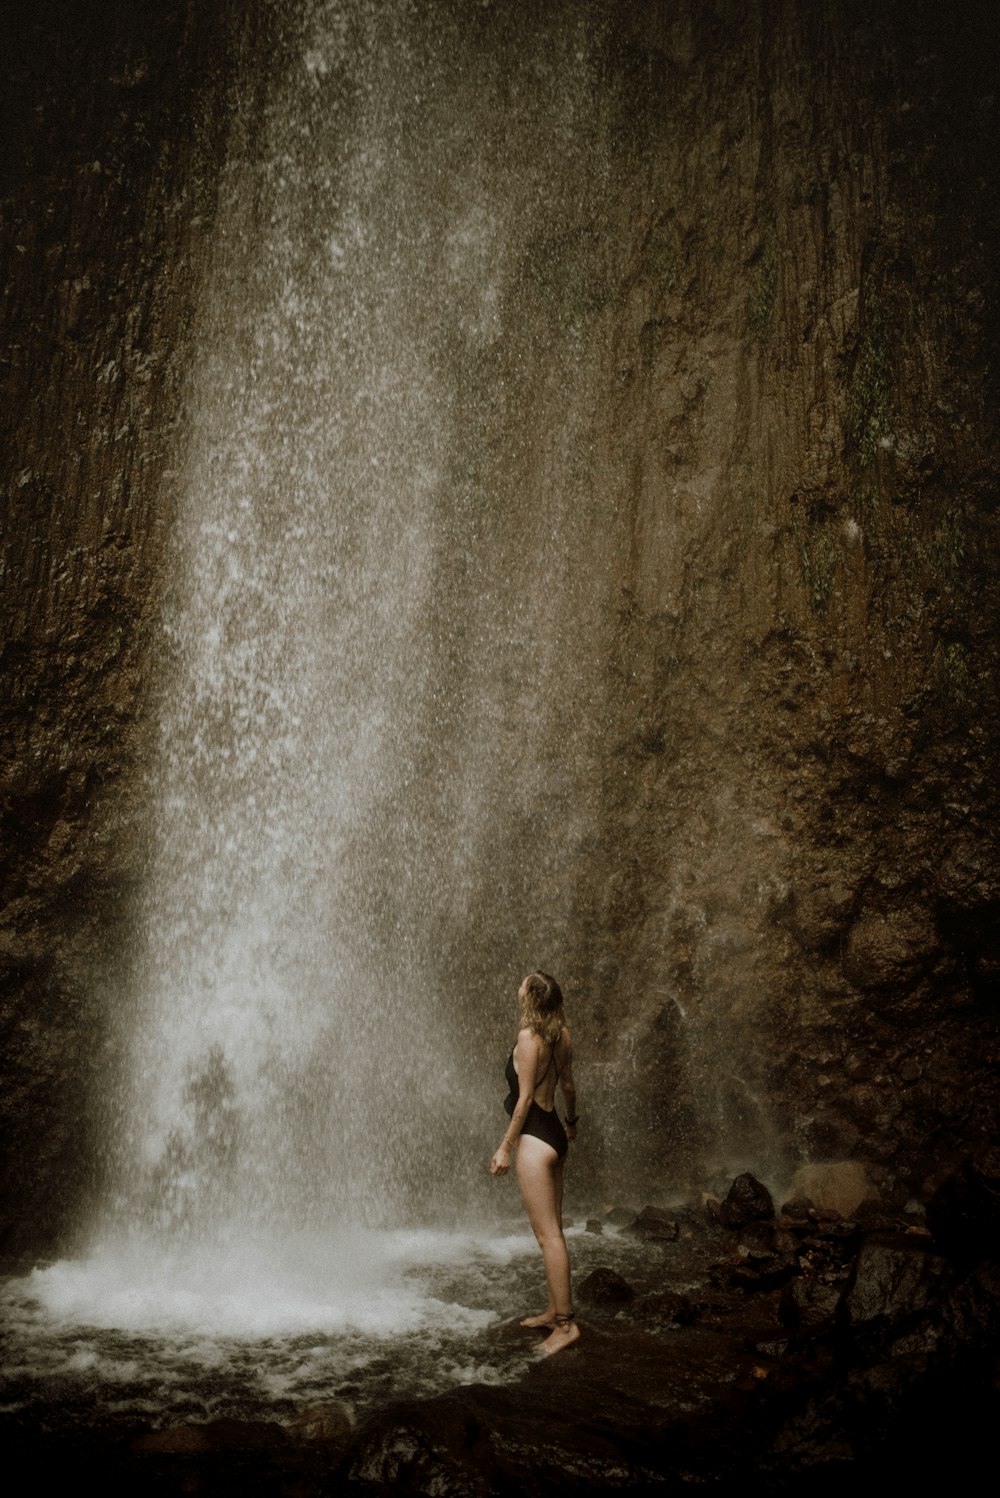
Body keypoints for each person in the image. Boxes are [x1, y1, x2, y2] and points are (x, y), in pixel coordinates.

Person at [490, 971, 580, 1356]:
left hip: (534, 1140)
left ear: (530, 998)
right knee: (553, 1233)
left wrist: (505, 1147)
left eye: (523, 983)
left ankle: (565, 1326)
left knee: (548, 1237)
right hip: (555, 1135)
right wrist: (571, 1126)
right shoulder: (562, 1034)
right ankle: (553, 1309)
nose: (518, 986)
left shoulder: (530, 1039)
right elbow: (569, 1086)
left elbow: (524, 1100)